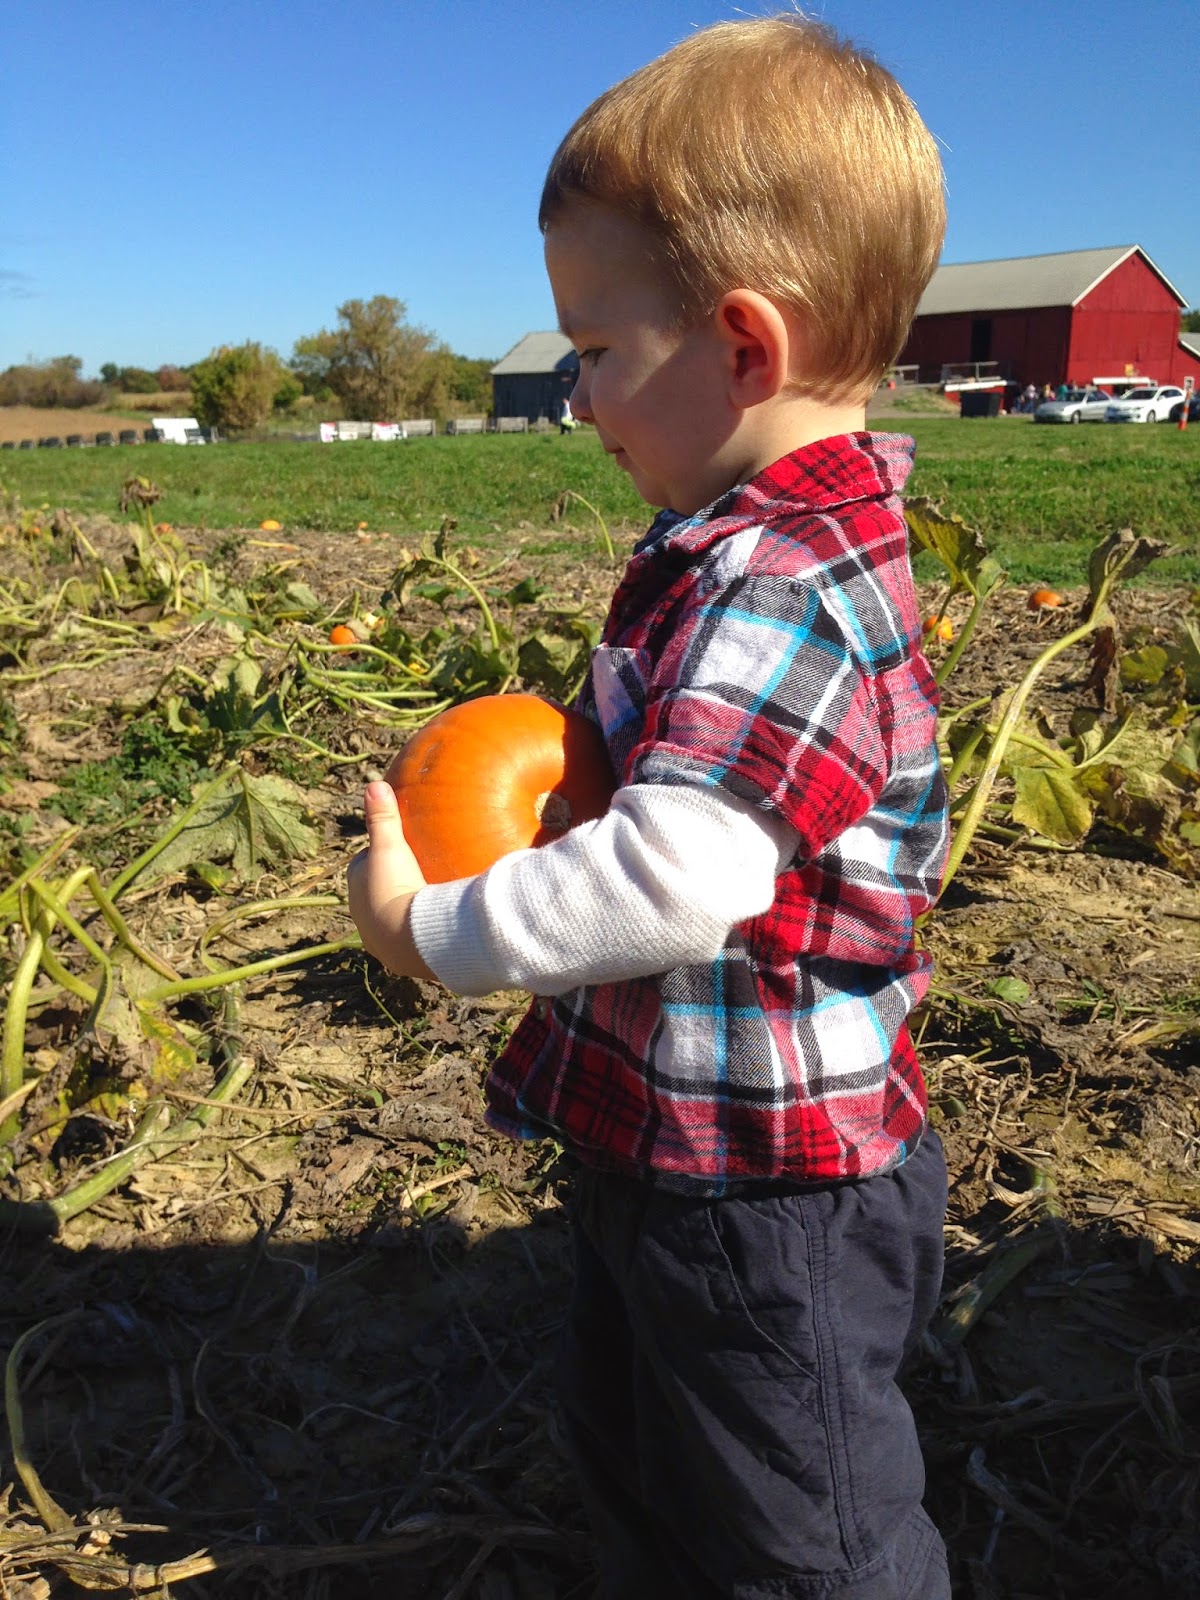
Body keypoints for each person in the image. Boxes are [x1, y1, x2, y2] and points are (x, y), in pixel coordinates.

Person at [348, 15, 951, 1598]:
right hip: (677, 1148)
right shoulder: (742, 547)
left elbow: (680, 877)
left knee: (804, 1538)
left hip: (769, 1197)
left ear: (744, 348)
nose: (575, 395)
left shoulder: (789, 586)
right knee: (643, 1462)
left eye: (598, 352)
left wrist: (435, 928)